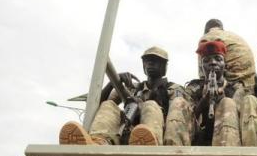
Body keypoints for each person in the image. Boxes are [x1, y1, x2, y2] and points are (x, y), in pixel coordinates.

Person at [59, 46, 193, 146]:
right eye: (147, 60)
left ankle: (149, 144)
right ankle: (99, 142)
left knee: (150, 106)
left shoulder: (173, 89)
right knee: (108, 105)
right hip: (127, 134)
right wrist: (114, 83)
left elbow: (178, 117)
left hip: (159, 135)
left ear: (164, 66)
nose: (150, 63)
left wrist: (146, 105)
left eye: (156, 60)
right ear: (143, 64)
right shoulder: (133, 88)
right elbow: (96, 104)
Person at [188, 40, 257, 146]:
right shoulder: (194, 88)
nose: (213, 63)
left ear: (224, 64)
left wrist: (222, 101)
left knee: (227, 103)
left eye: (218, 59)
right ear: (202, 66)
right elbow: (186, 119)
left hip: (231, 140)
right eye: (207, 60)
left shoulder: (237, 88)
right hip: (199, 141)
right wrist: (203, 103)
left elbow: (244, 119)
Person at [198, 19, 256, 93]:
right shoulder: (235, 36)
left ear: (206, 30)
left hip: (229, 85)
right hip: (249, 84)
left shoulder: (206, 38)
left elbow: (203, 73)